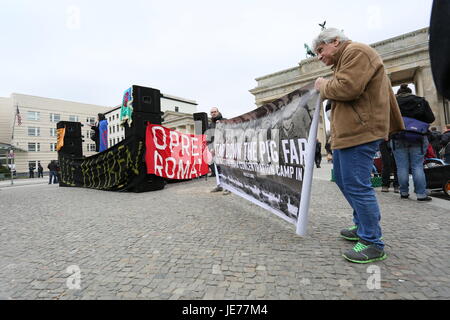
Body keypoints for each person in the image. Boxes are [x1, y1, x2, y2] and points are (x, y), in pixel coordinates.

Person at [313, 27, 404, 263]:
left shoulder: (356, 52)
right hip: (350, 132)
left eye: (321, 50)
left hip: (360, 130)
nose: (319, 56)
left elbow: (347, 88)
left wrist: (323, 85)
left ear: (335, 41)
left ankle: (373, 241)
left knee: (357, 184)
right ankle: (362, 225)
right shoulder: (345, 59)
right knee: (344, 180)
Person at [391, 84, 435, 202]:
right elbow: (431, 118)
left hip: (398, 136)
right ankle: (421, 194)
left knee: (401, 166)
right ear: (411, 92)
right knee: (417, 166)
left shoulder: (393, 102)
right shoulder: (420, 101)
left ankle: (404, 192)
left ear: (399, 93)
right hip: (418, 137)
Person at [207, 107, 230, 195]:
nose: (213, 113)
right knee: (218, 168)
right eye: (212, 112)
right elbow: (208, 138)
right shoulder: (210, 125)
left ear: (218, 112)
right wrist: (210, 148)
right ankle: (220, 185)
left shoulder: (225, 121)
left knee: (226, 168)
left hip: (225, 149)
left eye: (215, 112)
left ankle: (229, 187)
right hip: (215, 150)